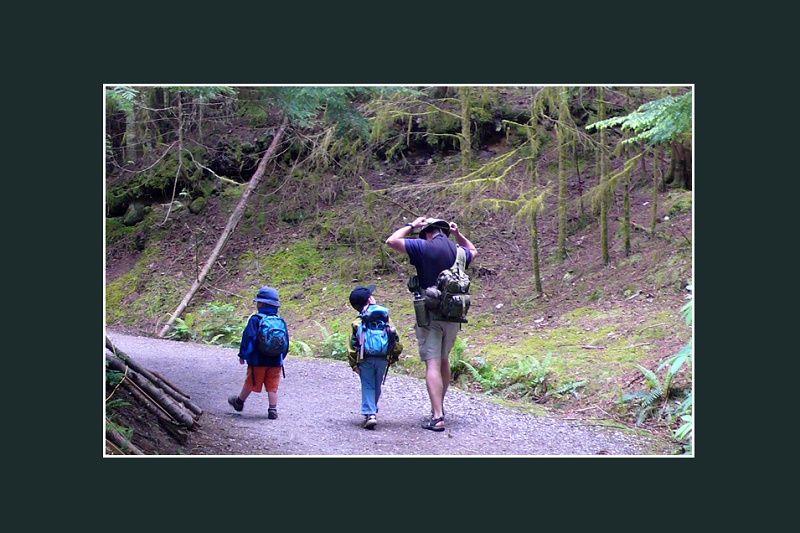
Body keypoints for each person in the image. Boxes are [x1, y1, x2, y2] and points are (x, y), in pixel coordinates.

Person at [385, 217, 477, 432]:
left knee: (433, 363)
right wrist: (458, 234)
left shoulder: (422, 246)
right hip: (454, 315)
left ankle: (437, 416)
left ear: (427, 232)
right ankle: (440, 408)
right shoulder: (459, 252)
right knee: (444, 361)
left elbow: (392, 241)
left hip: (431, 315)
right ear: (444, 232)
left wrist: (411, 226)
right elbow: (473, 250)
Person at [346, 284, 403, 430]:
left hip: (365, 358)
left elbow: (352, 345)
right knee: (377, 385)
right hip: (383, 357)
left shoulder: (358, 322)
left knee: (368, 384)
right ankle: (371, 411)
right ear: (370, 300)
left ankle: (370, 414)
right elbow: (394, 337)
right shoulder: (385, 318)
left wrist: (354, 364)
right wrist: (394, 356)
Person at [228, 286, 289, 419]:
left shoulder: (256, 320)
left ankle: (239, 402)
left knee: (251, 382)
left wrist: (243, 354)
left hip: (258, 361)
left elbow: (248, 338)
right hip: (276, 361)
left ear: (262, 304)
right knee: (273, 386)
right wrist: (281, 358)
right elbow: (286, 343)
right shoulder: (279, 321)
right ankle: (273, 409)